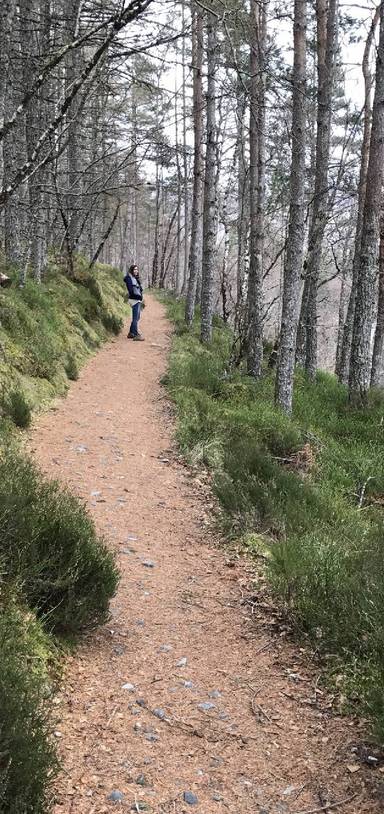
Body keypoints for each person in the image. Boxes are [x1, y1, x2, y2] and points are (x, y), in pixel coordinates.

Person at [123, 264, 144, 341]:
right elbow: (130, 290)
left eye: (137, 269)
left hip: (137, 299)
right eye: (134, 269)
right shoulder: (129, 278)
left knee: (137, 317)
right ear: (131, 270)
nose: (136, 271)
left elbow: (139, 289)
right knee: (135, 318)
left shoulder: (135, 278)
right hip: (134, 299)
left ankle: (131, 333)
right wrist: (138, 297)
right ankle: (136, 335)